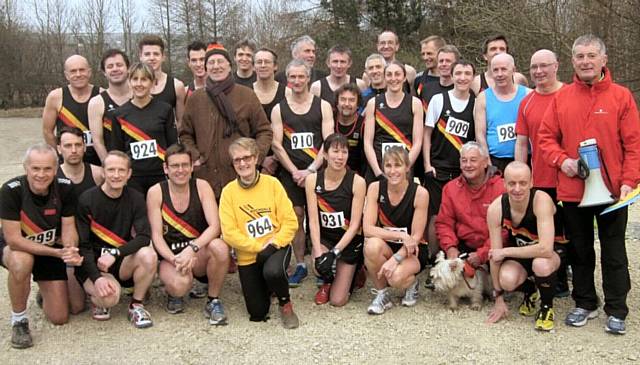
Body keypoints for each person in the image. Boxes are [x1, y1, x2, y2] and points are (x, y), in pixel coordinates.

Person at [538, 34, 640, 335]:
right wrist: (562, 161)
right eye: (580, 56)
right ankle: (585, 303)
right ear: (572, 61)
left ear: (603, 60)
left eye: (591, 56)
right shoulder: (562, 97)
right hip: (573, 192)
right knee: (580, 251)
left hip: (612, 193)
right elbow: (545, 138)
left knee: (614, 252)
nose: (585, 61)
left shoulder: (621, 97)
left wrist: (628, 182)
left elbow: (633, 146)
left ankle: (616, 308)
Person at [0, 144, 84, 348]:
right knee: (22, 261)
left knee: (61, 316)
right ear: (25, 168)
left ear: (55, 169)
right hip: (18, 247)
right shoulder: (11, 190)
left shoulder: (65, 187)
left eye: (47, 169)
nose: (41, 174)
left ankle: (43, 292)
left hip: (49, 247)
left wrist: (70, 250)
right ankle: (19, 320)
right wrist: (56, 252)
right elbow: (13, 240)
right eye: (35, 168)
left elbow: (68, 227)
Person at [219, 137, 300, 328]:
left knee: (273, 271)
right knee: (257, 312)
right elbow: (229, 233)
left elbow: (290, 221)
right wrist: (257, 246)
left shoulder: (272, 184)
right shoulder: (228, 192)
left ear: (256, 158)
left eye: (247, 157)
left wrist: (274, 243)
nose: (243, 163)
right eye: (237, 160)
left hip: (276, 247)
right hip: (249, 255)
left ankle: (284, 302)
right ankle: (267, 287)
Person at [147, 144, 230, 323]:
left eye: (185, 165)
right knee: (179, 286)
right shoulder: (155, 192)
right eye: (175, 166)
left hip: (197, 252)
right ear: (166, 168)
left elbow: (215, 226)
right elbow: (156, 237)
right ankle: (174, 292)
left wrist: (192, 248)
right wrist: (174, 259)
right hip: (172, 256)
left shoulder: (202, 186)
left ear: (192, 167)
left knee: (221, 247)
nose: (180, 170)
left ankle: (213, 299)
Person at [179, 42, 273, 200]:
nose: (216, 66)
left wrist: (253, 157)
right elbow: (185, 134)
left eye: (220, 61)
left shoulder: (246, 95)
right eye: (211, 63)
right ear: (206, 68)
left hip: (239, 175)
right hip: (206, 176)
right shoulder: (196, 98)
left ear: (230, 66)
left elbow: (264, 131)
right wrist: (195, 156)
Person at [75, 151, 157, 328]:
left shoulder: (135, 197)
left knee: (148, 255)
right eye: (111, 170)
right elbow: (83, 245)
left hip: (119, 261)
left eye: (121, 170)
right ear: (103, 172)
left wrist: (115, 253)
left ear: (129, 174)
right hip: (93, 264)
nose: (116, 175)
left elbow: (144, 236)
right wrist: (97, 277)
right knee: (110, 299)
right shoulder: (87, 199)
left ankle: (136, 304)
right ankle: (98, 298)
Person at [271, 59, 334, 287]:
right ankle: (300, 264)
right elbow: (277, 144)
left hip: (317, 172)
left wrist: (310, 170)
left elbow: (328, 142)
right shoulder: (280, 109)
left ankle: (323, 261)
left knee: (320, 216)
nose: (297, 81)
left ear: (308, 78)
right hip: (291, 173)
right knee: (296, 216)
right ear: (288, 80)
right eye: (293, 77)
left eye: (301, 76)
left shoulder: (322, 106)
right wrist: (294, 171)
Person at [514, 49, 570, 296]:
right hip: (541, 179)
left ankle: (581, 284)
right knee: (549, 233)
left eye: (544, 66)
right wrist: (520, 175)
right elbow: (522, 143)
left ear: (556, 66)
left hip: (572, 179)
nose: (538, 72)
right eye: (534, 67)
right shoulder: (527, 102)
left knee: (574, 233)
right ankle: (553, 280)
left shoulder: (570, 95)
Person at [486, 162, 565, 331]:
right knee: (506, 280)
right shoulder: (496, 208)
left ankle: (546, 307)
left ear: (531, 182)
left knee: (541, 264)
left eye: (522, 183)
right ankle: (530, 290)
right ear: (504, 184)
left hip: (553, 251)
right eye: (512, 183)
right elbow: (495, 255)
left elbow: (545, 249)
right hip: (523, 252)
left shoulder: (541, 200)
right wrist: (499, 299)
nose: (517, 189)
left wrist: (505, 252)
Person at [363, 146, 429, 314]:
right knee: (371, 246)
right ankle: (382, 294)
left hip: (412, 250)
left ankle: (412, 284)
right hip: (387, 244)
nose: (393, 171)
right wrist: (399, 235)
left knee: (396, 277)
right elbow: (367, 228)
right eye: (388, 165)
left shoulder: (420, 193)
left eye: (398, 165)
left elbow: (416, 236)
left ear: (407, 167)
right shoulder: (375, 188)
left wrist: (396, 259)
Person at [305, 133, 366, 305]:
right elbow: (313, 220)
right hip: (326, 238)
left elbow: (355, 225)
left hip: (348, 241)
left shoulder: (358, 182)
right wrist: (318, 251)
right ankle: (327, 280)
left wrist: (334, 253)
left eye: (344, 152)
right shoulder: (312, 180)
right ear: (324, 154)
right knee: (318, 266)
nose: (340, 157)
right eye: (335, 151)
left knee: (338, 301)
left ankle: (356, 271)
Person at [423, 60, 476, 254]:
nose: (462, 78)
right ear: (452, 76)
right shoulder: (438, 99)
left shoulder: (476, 103)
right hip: (438, 168)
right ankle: (432, 257)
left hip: (464, 170)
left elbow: (477, 138)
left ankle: (454, 254)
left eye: (467, 73)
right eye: (459, 73)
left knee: (461, 215)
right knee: (436, 216)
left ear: (472, 77)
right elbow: (427, 133)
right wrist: (428, 164)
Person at [110, 62, 177, 194]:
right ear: (129, 82)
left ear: (152, 83)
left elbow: (172, 145)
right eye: (135, 79)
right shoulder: (118, 114)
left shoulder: (165, 109)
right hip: (132, 178)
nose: (139, 84)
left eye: (144, 79)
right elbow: (117, 151)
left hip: (160, 175)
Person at [436, 141, 504, 267]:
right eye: (464, 160)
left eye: (473, 160)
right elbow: (444, 223)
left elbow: (504, 229)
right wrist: (450, 248)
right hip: (463, 249)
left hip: (495, 249)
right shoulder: (450, 189)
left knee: (506, 279)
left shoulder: (500, 187)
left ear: (484, 163)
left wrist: (482, 254)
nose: (468, 165)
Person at [363, 61, 423, 183]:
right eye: (389, 75)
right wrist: (378, 172)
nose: (393, 78)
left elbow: (418, 142)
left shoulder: (415, 104)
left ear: (404, 77)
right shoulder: (373, 103)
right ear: (384, 78)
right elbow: (367, 142)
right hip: (378, 168)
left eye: (397, 74)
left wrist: (405, 168)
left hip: (404, 168)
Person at [474, 53, 530, 173]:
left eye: (504, 69)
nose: (499, 74)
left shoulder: (528, 95)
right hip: (495, 163)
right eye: (495, 70)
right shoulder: (483, 97)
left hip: (525, 160)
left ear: (513, 70)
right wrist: (488, 165)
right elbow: (480, 135)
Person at [42, 55, 101, 165]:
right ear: (66, 75)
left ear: (89, 72)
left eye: (82, 70)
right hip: (69, 163)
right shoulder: (55, 97)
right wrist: (60, 155)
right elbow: (47, 131)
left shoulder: (102, 94)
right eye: (73, 71)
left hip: (98, 161)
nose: (78, 74)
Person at [252, 48, 291, 175]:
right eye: (259, 62)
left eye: (267, 62)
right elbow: (242, 131)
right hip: (252, 160)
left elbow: (291, 127)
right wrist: (261, 159)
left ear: (275, 66)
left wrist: (275, 158)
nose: (263, 65)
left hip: (283, 160)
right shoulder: (246, 93)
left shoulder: (287, 93)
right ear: (253, 67)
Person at [88, 49, 132, 162]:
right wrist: (109, 167)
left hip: (141, 167)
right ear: (104, 72)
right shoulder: (96, 103)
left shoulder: (141, 96)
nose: (115, 69)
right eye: (110, 66)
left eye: (119, 65)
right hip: (115, 166)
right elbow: (98, 142)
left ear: (128, 68)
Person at [138, 35, 186, 127]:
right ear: (140, 56)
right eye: (147, 54)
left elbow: (181, 122)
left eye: (156, 54)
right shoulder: (131, 86)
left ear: (163, 56)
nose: (152, 58)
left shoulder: (177, 86)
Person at [56, 126, 104, 196]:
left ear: (84, 147)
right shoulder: (52, 176)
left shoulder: (99, 174)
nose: (74, 150)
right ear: (59, 149)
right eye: (68, 146)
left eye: (78, 145)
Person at [334, 83, 366, 175]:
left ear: (358, 104)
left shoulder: (364, 124)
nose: (347, 104)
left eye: (351, 100)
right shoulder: (329, 120)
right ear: (337, 102)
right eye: (343, 99)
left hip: (356, 176)